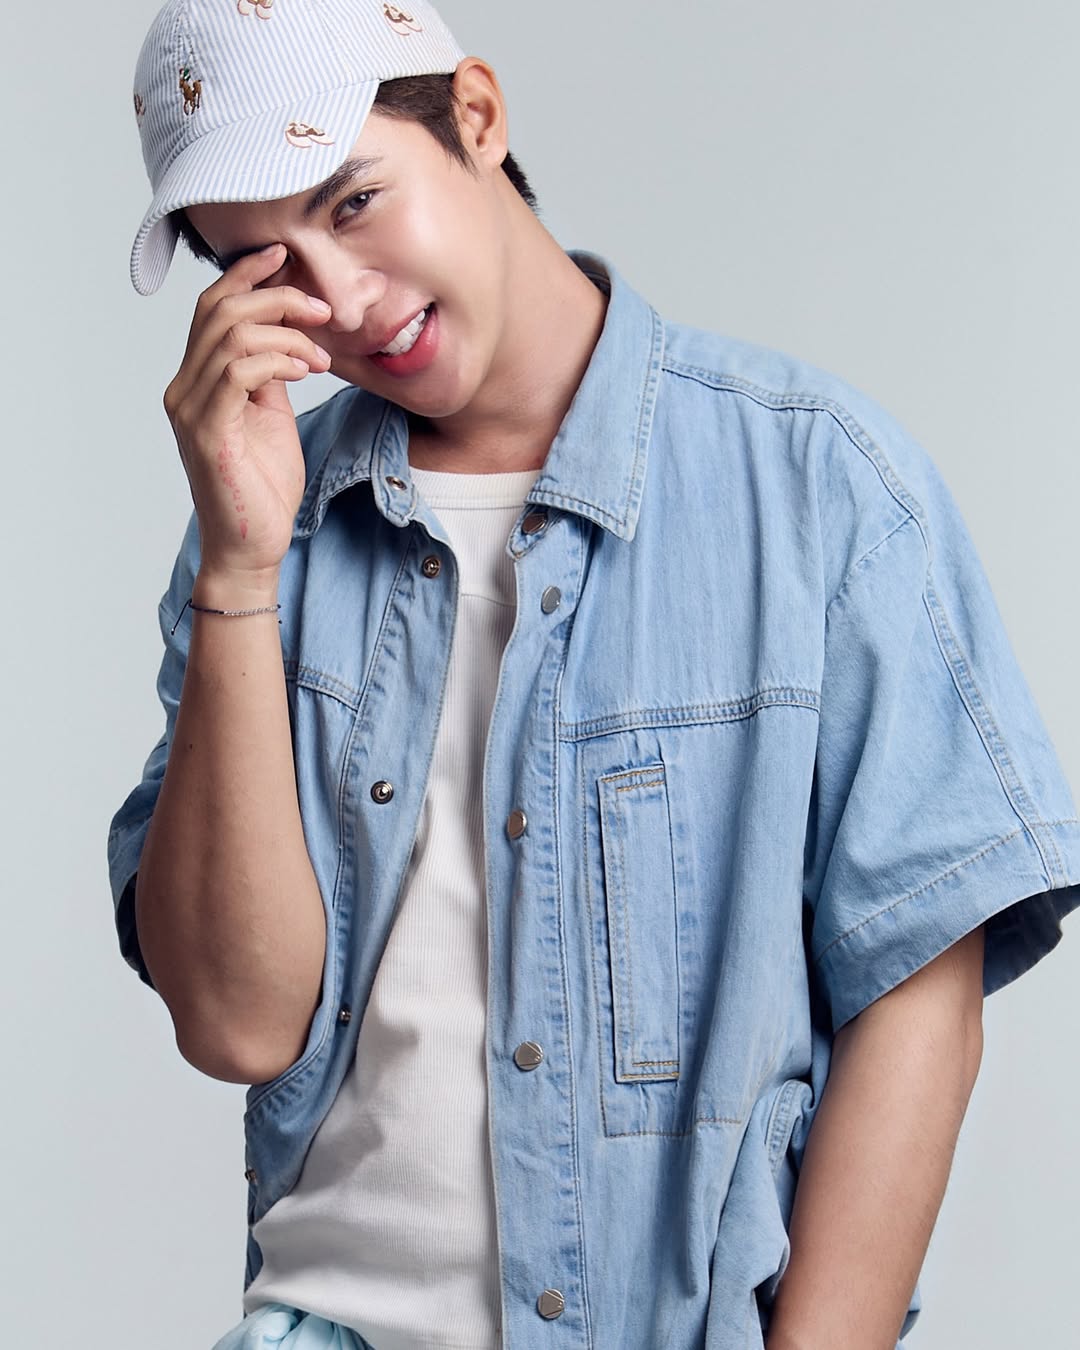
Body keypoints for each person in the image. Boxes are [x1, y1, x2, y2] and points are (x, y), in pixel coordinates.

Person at [107, 2, 1080, 1347]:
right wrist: (237, 560)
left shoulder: (817, 489)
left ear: (478, 116)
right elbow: (236, 1025)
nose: (344, 303)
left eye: (356, 202)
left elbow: (920, 996)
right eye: (266, 267)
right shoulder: (269, 527)